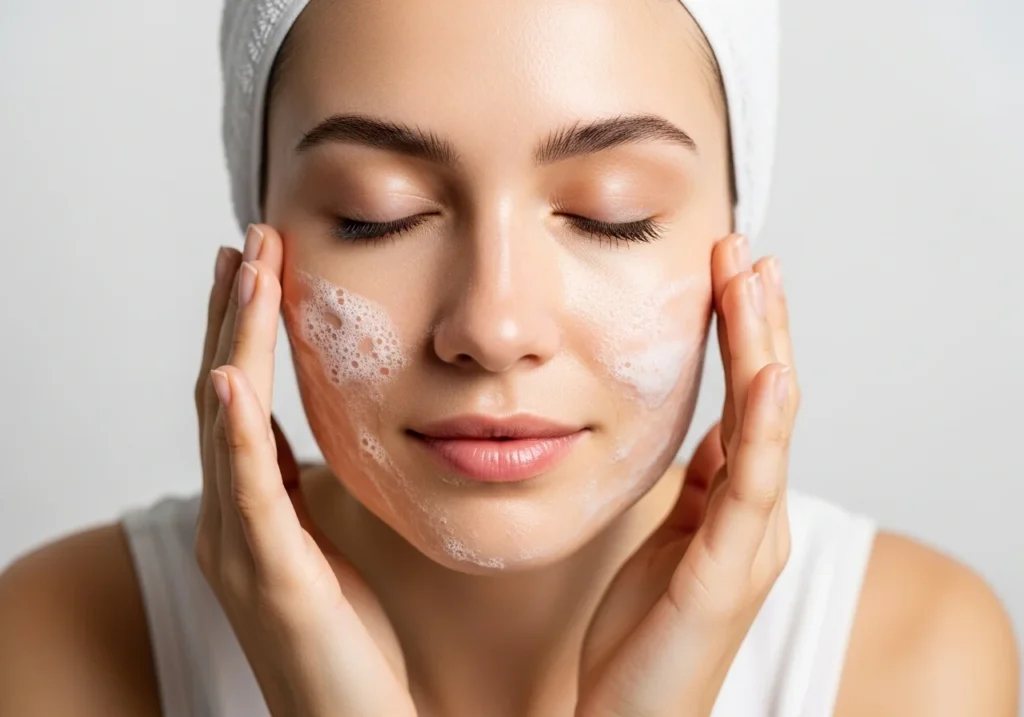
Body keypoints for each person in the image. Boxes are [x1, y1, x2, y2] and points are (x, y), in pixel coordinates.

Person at [0, 0, 1018, 715]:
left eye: (609, 215)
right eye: (374, 215)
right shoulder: (66, 645)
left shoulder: (903, 662)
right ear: (255, 240)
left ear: (733, 249)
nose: (491, 325)